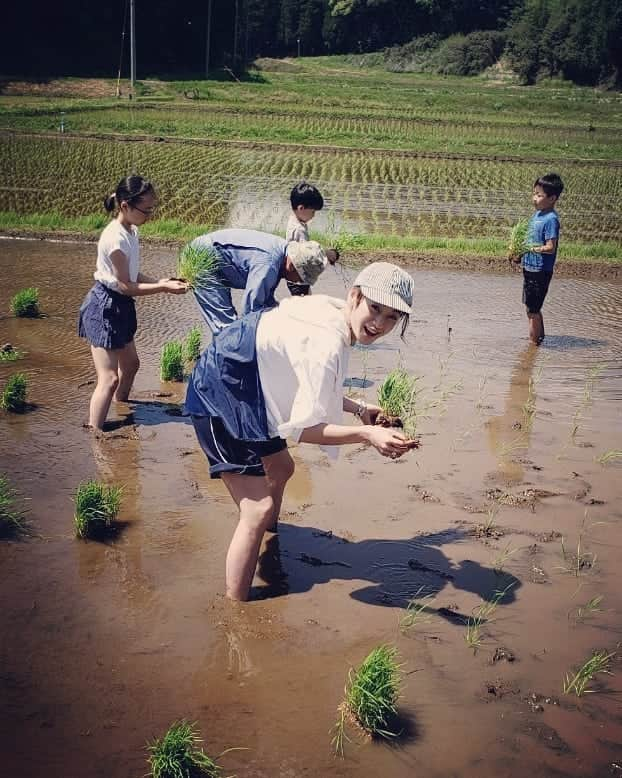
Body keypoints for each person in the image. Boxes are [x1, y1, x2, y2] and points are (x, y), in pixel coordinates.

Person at [184, 261, 418, 601]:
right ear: (355, 296)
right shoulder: (325, 344)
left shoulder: (333, 311)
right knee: (256, 509)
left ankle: (268, 534)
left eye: (391, 317)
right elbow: (304, 431)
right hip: (221, 393)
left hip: (252, 382)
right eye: (375, 308)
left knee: (282, 467)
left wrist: (360, 409)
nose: (379, 324)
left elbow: (313, 383)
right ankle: (236, 608)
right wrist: (367, 435)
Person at [78, 175, 188, 429]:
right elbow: (125, 286)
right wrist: (162, 287)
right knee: (108, 378)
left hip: (121, 306)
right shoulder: (115, 240)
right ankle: (96, 433)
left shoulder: (131, 230)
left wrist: (161, 280)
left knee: (132, 364)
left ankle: (121, 405)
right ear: (125, 206)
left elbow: (131, 275)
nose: (150, 214)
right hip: (105, 307)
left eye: (152, 208)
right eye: (146, 209)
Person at [189, 228, 329, 334]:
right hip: (202, 257)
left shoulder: (281, 255)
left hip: (214, 259)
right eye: (301, 278)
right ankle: (228, 369)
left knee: (241, 329)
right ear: (292, 266)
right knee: (227, 329)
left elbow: (266, 302)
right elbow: (251, 310)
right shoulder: (269, 265)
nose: (299, 282)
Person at [510, 173, 564, 345]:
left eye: (539, 195)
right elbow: (528, 239)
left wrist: (530, 249)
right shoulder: (536, 216)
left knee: (532, 310)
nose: (534, 198)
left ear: (552, 198)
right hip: (530, 268)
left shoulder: (551, 219)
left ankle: (532, 347)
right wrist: (519, 253)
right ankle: (540, 339)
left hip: (540, 270)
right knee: (532, 307)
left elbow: (550, 247)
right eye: (534, 194)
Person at [286, 181, 339, 297]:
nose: (314, 215)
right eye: (313, 211)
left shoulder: (294, 220)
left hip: (295, 276)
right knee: (304, 304)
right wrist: (327, 254)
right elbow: (308, 255)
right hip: (299, 277)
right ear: (301, 208)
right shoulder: (299, 230)